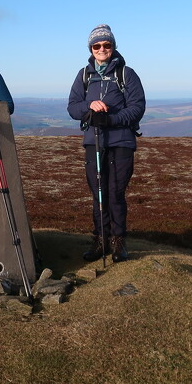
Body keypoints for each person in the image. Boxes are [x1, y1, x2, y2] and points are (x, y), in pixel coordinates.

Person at [66, 24, 146, 263]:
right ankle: (100, 239)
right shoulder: (84, 75)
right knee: (98, 193)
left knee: (115, 192)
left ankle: (118, 242)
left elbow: (137, 108)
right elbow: (72, 107)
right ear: (91, 48)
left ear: (113, 46)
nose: (102, 49)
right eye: (97, 45)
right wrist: (89, 107)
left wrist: (111, 119)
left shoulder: (126, 74)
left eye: (106, 45)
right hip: (94, 142)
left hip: (121, 142)